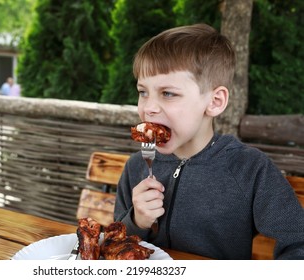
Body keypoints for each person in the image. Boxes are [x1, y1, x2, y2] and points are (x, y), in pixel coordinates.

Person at [114, 23, 304, 259]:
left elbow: (298, 242)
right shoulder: (136, 167)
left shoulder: (248, 169)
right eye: (143, 92)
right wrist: (136, 221)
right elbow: (116, 248)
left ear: (214, 102)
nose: (149, 108)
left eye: (168, 93)